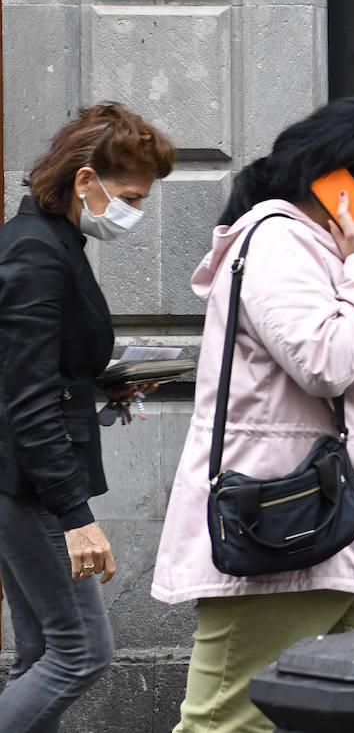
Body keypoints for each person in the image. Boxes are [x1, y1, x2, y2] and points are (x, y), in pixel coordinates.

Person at [152, 98, 354, 733]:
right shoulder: (277, 243)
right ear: (334, 180)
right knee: (227, 723)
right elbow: (326, 361)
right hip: (286, 525)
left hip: (353, 525)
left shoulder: (322, 253)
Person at [0, 103, 175, 732]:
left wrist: (110, 379)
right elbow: (26, 395)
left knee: (44, 654)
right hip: (34, 487)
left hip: (26, 482)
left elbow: (37, 368)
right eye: (130, 194)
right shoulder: (37, 255)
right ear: (83, 181)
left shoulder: (51, 244)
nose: (135, 210)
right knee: (82, 654)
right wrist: (77, 518)